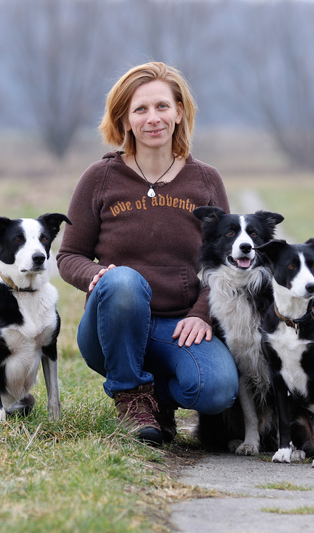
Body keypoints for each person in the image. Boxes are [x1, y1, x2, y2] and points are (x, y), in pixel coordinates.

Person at [56, 62, 238, 445]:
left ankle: (156, 399)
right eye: (140, 109)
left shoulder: (205, 180)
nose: (152, 118)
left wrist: (202, 313)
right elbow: (68, 255)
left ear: (179, 113)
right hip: (113, 324)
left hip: (179, 327)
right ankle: (130, 396)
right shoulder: (99, 178)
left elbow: (225, 263)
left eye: (162, 107)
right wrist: (95, 277)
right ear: (123, 120)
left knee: (218, 390)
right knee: (123, 281)